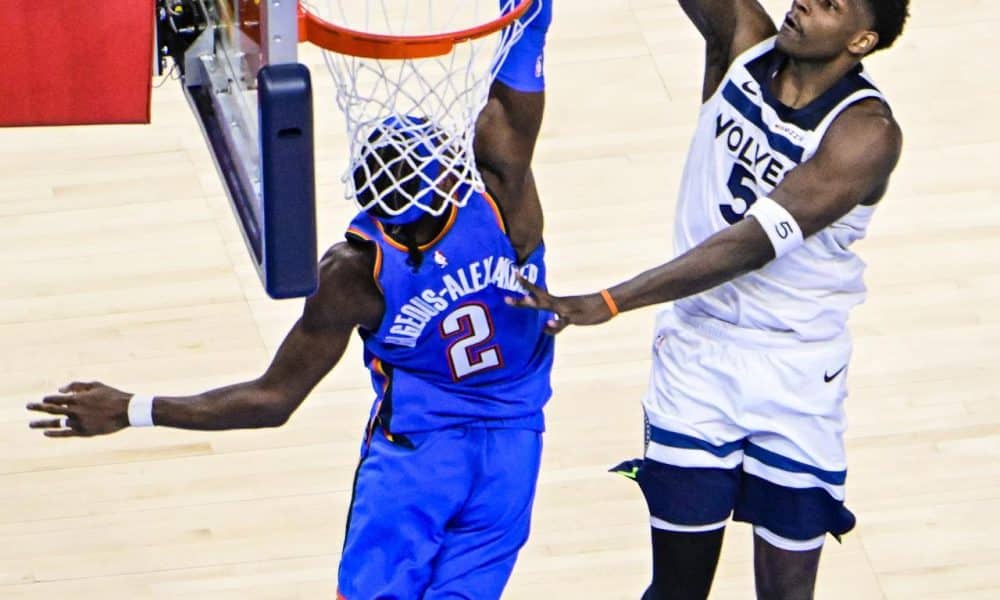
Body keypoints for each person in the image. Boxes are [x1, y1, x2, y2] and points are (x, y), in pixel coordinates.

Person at [26, 2, 554, 598]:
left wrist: (132, 409)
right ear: (446, 166)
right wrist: (531, 13)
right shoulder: (504, 202)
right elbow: (518, 85)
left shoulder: (354, 273)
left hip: (417, 458)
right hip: (514, 449)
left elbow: (272, 399)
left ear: (364, 189)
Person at [510, 1, 908, 598]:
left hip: (798, 372)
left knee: (786, 593)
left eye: (830, 5)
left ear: (861, 40)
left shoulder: (865, 133)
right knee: (676, 587)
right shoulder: (744, 43)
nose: (803, 3)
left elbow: (750, 244)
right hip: (698, 354)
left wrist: (611, 300)